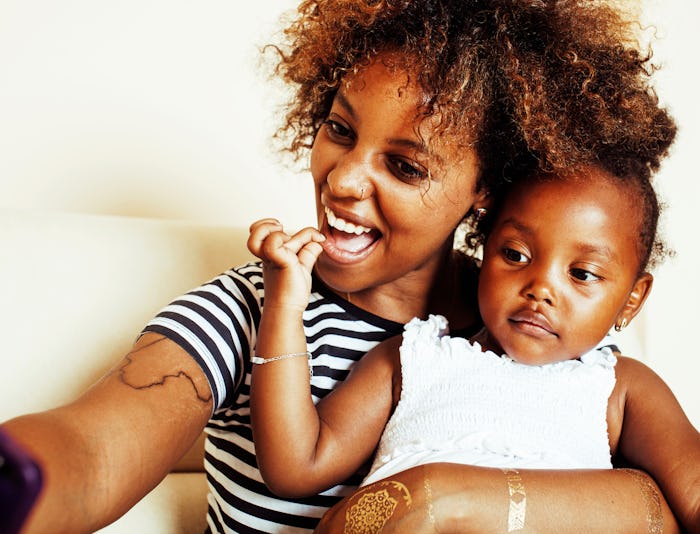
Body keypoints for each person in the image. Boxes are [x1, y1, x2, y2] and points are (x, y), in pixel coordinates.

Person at [0, 1, 684, 533]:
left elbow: (660, 489)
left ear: (486, 190)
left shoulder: (533, 317)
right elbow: (90, 452)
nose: (344, 180)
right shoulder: (258, 311)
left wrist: (448, 498)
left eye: (405, 165)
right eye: (339, 130)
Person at [248, 165, 700, 532]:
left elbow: (693, 490)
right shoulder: (413, 359)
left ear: (632, 298)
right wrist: (284, 304)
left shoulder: (620, 387)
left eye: (581, 274)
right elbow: (294, 466)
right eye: (516, 255)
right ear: (483, 249)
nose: (540, 288)